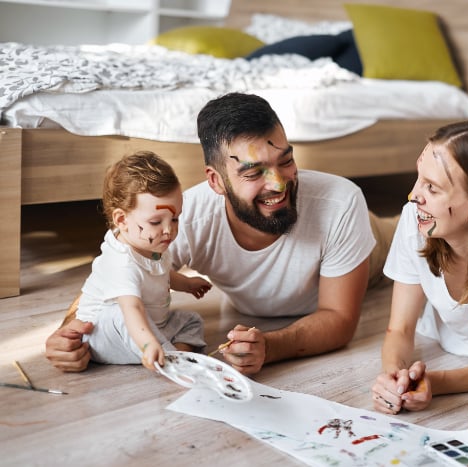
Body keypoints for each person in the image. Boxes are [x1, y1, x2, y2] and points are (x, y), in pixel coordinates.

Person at [45, 92, 396, 375]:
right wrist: (70, 332)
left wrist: (270, 347)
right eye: (253, 172)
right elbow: (110, 276)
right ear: (215, 181)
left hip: (373, 241)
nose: (278, 184)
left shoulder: (339, 202)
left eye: (285, 161)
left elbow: (339, 319)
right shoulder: (184, 217)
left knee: (418, 236)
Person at [370, 121, 468, 415]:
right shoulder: (413, 222)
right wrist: (396, 378)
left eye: (432, 188)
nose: (413, 194)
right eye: (419, 178)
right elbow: (400, 328)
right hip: (444, 342)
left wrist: (435, 382)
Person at [74, 151, 212, 370]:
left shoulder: (153, 245)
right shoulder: (120, 262)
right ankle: (167, 358)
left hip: (150, 324)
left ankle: (176, 353)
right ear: (122, 219)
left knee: (192, 320)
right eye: (156, 221)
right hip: (103, 335)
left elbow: (163, 273)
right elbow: (132, 308)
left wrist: (187, 284)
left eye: (175, 219)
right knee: (118, 312)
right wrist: (148, 343)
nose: (169, 230)